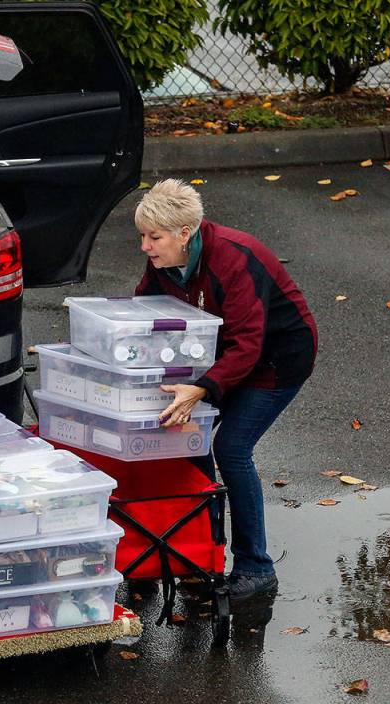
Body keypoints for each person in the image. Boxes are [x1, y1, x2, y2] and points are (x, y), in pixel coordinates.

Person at [134, 179, 317, 603]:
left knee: (231, 448)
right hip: (218, 359)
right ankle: (200, 553)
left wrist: (201, 390)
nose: (145, 246)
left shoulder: (235, 258)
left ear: (185, 233)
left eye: (154, 237)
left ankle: (256, 568)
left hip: (274, 362)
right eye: (142, 236)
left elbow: (248, 345)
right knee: (188, 440)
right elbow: (142, 314)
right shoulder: (163, 259)